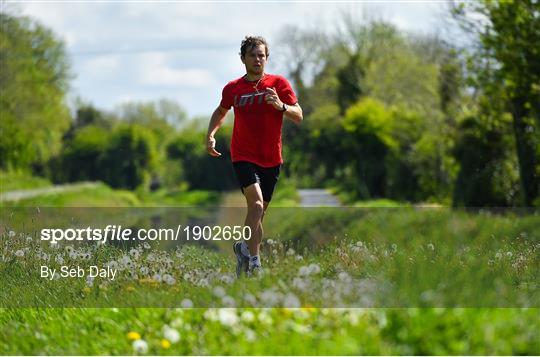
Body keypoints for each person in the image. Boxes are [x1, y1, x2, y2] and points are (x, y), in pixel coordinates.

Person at [206, 36, 303, 277]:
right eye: (252, 55)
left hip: (271, 157)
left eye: (261, 55)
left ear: (266, 58)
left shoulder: (278, 84)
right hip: (243, 155)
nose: (257, 59)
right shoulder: (233, 88)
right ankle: (254, 261)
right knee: (256, 204)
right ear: (243, 59)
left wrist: (281, 105)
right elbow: (221, 110)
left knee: (259, 213)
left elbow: (298, 114)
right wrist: (210, 135)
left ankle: (243, 249)